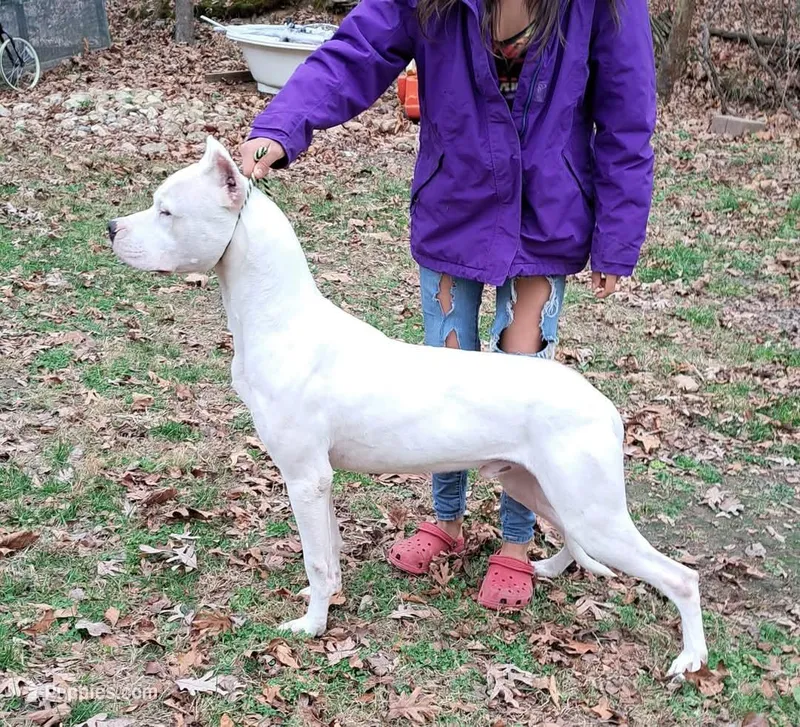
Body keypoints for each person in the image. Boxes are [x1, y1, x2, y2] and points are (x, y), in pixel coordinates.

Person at [240, 0, 656, 611]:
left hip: (547, 218)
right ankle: (447, 521)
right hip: (453, 209)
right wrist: (282, 127)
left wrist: (617, 240)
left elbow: (627, 113)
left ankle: (516, 543)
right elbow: (357, 51)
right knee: (442, 372)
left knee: (525, 387)